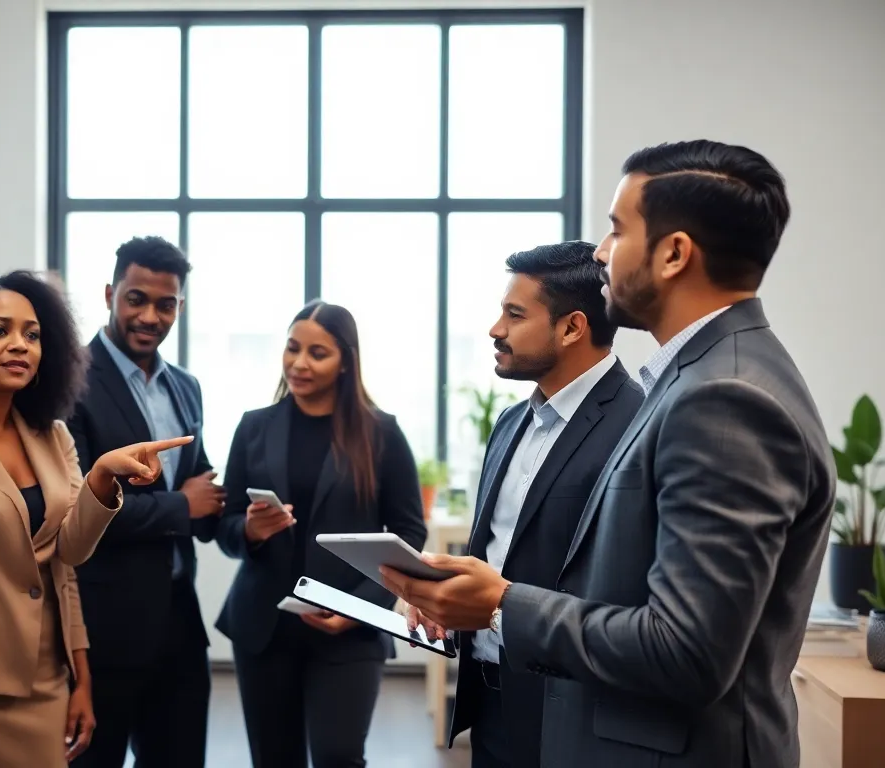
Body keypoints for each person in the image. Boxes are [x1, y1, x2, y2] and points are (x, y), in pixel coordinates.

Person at [382, 140, 835, 768]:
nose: (600, 252)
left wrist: (502, 605)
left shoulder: (725, 397)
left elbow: (688, 651)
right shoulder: (699, 377)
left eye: (618, 230)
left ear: (674, 254)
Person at [0, 271, 192, 768]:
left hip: (42, 674)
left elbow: (68, 555)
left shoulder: (52, 436)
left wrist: (102, 476)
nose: (20, 345)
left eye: (32, 335)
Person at [449, 241, 643, 768]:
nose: (496, 329)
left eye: (515, 315)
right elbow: (499, 552)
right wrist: (444, 598)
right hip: (491, 699)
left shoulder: (639, 423)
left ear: (572, 327)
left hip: (575, 710)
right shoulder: (510, 423)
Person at [215, 300, 427, 768]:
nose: (299, 363)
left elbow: (409, 532)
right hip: (264, 627)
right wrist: (249, 529)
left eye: (317, 353)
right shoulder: (253, 427)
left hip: (351, 630)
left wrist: (358, 609)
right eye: (292, 348)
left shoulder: (382, 433)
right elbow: (224, 529)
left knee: (338, 755)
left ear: (345, 362)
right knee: (274, 760)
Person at [67, 236, 222, 768]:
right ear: (110, 294)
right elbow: (77, 511)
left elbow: (199, 482)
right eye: (136, 299)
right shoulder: (70, 382)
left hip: (179, 622)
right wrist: (183, 506)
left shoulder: (186, 387)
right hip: (104, 630)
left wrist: (238, 513)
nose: (150, 316)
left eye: (166, 304)